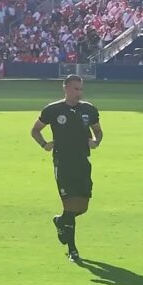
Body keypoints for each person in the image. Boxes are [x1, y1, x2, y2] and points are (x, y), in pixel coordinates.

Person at [30, 75, 103, 262]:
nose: (79, 92)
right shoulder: (53, 110)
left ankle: (60, 221)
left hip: (82, 162)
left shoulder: (89, 109)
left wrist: (96, 141)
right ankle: (73, 250)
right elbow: (35, 130)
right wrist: (44, 144)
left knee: (82, 207)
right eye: (75, 89)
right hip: (63, 162)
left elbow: (98, 131)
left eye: (81, 89)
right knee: (70, 207)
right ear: (66, 88)